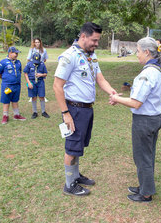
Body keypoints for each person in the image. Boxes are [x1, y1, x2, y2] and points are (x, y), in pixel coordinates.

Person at [53, 22, 117, 196]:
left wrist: (112, 93)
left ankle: (75, 176)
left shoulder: (91, 56)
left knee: (79, 146)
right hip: (74, 110)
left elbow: (100, 79)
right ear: (83, 36)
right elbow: (57, 86)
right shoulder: (69, 56)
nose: (96, 44)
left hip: (87, 110)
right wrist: (66, 114)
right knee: (71, 146)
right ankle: (69, 184)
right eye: (94, 40)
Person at [109, 37, 161, 203]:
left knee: (143, 157)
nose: (137, 54)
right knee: (148, 155)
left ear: (147, 52)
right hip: (155, 118)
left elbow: (136, 103)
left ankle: (146, 194)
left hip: (145, 121)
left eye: (138, 51)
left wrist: (116, 98)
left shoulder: (148, 73)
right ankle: (144, 186)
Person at [0, 46, 26, 124]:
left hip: (16, 85)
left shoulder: (18, 62)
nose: (16, 55)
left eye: (17, 53)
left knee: (15, 100)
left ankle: (16, 115)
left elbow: (19, 71)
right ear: (10, 53)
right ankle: (5, 116)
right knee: (6, 100)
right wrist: (6, 80)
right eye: (15, 53)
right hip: (7, 86)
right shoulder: (3, 62)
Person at [24, 52, 50, 119]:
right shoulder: (29, 64)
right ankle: (35, 112)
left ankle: (43, 111)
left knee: (42, 96)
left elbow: (45, 73)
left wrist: (41, 75)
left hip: (40, 82)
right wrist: (28, 82)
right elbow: (25, 73)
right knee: (33, 97)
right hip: (32, 82)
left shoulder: (42, 64)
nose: (36, 63)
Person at [27, 38, 49, 102]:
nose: (37, 44)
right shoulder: (31, 50)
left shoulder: (44, 50)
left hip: (40, 67)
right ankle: (32, 96)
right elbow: (29, 58)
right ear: (34, 43)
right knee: (32, 81)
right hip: (33, 67)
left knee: (41, 82)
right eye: (36, 42)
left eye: (38, 42)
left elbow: (45, 59)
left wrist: (41, 66)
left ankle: (43, 96)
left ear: (40, 43)